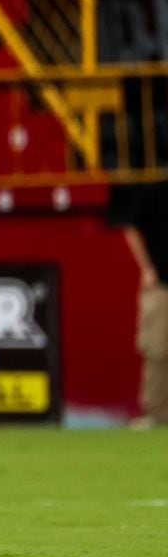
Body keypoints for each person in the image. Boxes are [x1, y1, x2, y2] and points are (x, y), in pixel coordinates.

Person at [122, 181, 168, 429]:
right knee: (156, 349)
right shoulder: (155, 191)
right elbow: (130, 226)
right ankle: (157, 415)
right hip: (160, 286)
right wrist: (146, 268)